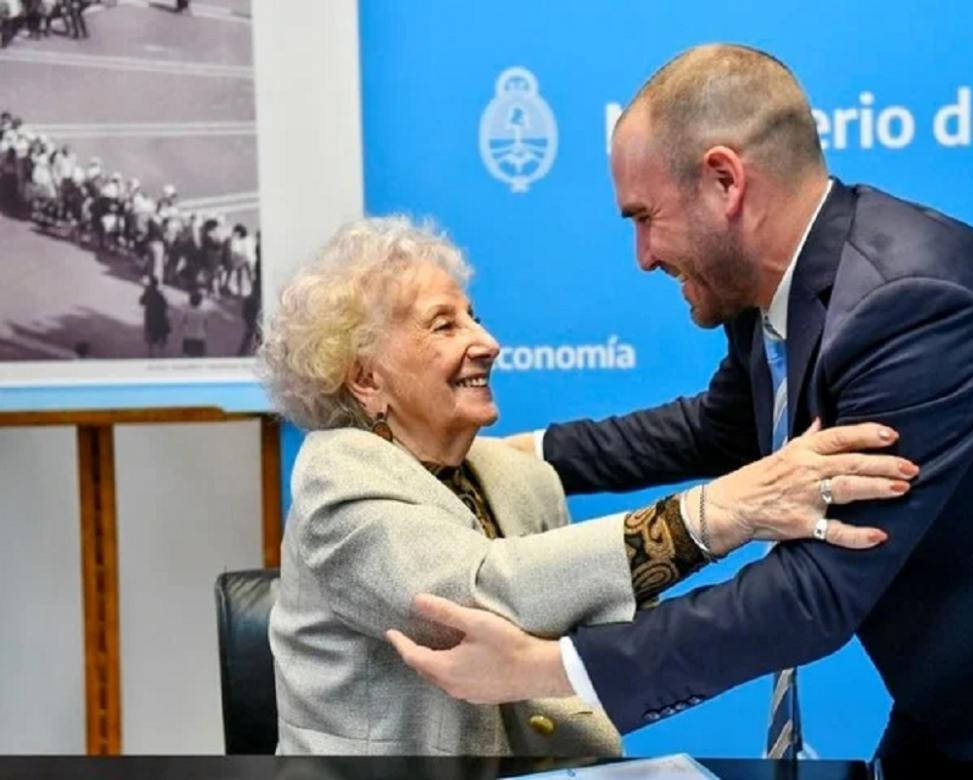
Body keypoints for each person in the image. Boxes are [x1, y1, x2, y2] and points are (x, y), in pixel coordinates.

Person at [387, 44, 973, 764]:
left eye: (645, 218)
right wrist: (506, 454)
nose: (644, 256)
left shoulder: (912, 308)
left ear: (725, 181)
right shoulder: (775, 291)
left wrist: (546, 666)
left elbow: (817, 588)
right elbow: (719, 429)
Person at [257, 216, 914, 756]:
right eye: (444, 325)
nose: (487, 342)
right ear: (366, 379)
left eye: (474, 317)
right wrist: (725, 511)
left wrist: (775, 598)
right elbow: (489, 594)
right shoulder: (335, 483)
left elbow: (595, 621)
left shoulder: (519, 478)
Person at [139, 274, 169, 357]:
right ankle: (161, 354)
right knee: (159, 336)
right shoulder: (160, 294)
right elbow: (165, 305)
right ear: (157, 284)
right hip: (159, 318)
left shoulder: (148, 292)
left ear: (150, 283)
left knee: (151, 339)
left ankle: (151, 354)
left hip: (150, 318)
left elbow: (141, 302)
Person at [176, 288, 208, 357]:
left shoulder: (186, 312)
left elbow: (181, 324)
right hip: (200, 338)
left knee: (187, 358)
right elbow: (205, 325)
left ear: (190, 301)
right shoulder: (203, 312)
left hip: (188, 337)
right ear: (200, 302)